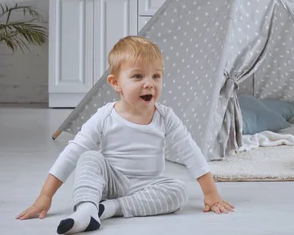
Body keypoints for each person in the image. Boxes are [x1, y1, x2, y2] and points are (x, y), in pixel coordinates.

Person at [16, 36, 233, 234]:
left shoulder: (165, 117)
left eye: (156, 76)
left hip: (147, 186)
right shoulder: (105, 115)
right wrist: (45, 195)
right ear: (116, 83)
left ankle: (107, 209)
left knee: (178, 192)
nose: (149, 83)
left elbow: (190, 152)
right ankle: (85, 208)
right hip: (110, 182)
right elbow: (72, 152)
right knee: (88, 157)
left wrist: (211, 193)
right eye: (138, 76)